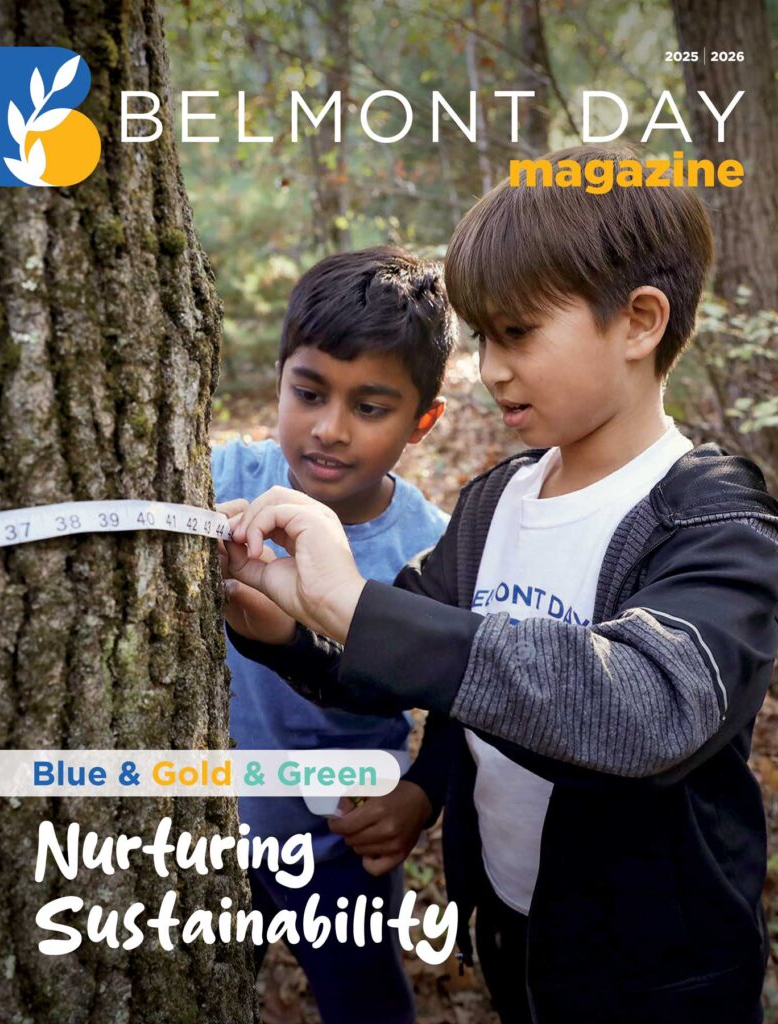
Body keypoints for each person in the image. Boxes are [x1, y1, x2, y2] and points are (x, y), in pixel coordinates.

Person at [220, 146, 778, 1024]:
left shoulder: (714, 520)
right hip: (514, 936)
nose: (491, 368)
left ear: (638, 321)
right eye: (483, 339)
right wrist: (285, 630)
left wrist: (347, 603)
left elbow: (648, 709)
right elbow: (403, 665)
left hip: (660, 977)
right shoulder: (495, 503)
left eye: (516, 334)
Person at [211, 246, 456, 1024]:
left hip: (341, 838)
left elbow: (464, 693)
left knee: (363, 996)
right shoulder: (218, 480)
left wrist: (422, 794)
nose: (329, 430)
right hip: (208, 825)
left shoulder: (433, 549)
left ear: (423, 421)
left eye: (370, 407)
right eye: (308, 391)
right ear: (279, 375)